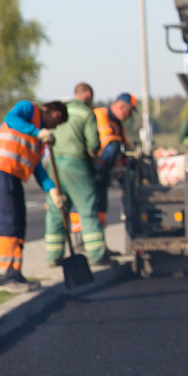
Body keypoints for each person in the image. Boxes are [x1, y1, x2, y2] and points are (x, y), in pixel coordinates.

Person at [0, 100, 68, 293]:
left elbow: (37, 167)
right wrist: (37, 132)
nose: (53, 128)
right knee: (7, 222)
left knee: (18, 223)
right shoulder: (29, 108)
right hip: (2, 171)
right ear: (56, 115)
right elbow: (10, 118)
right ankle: (4, 277)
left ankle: (14, 272)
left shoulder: (38, 136)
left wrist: (51, 189)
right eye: (56, 124)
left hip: (13, 176)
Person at [45, 83, 109, 266]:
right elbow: (94, 145)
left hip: (54, 164)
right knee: (87, 210)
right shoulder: (86, 113)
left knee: (56, 209)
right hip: (77, 164)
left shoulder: (62, 111)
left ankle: (54, 255)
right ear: (88, 94)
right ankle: (96, 254)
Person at [93, 93, 135, 227]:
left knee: (102, 203)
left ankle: (100, 239)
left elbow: (126, 146)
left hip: (104, 171)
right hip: (96, 165)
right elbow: (108, 141)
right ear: (122, 107)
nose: (128, 116)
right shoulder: (101, 114)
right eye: (129, 112)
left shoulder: (118, 125)